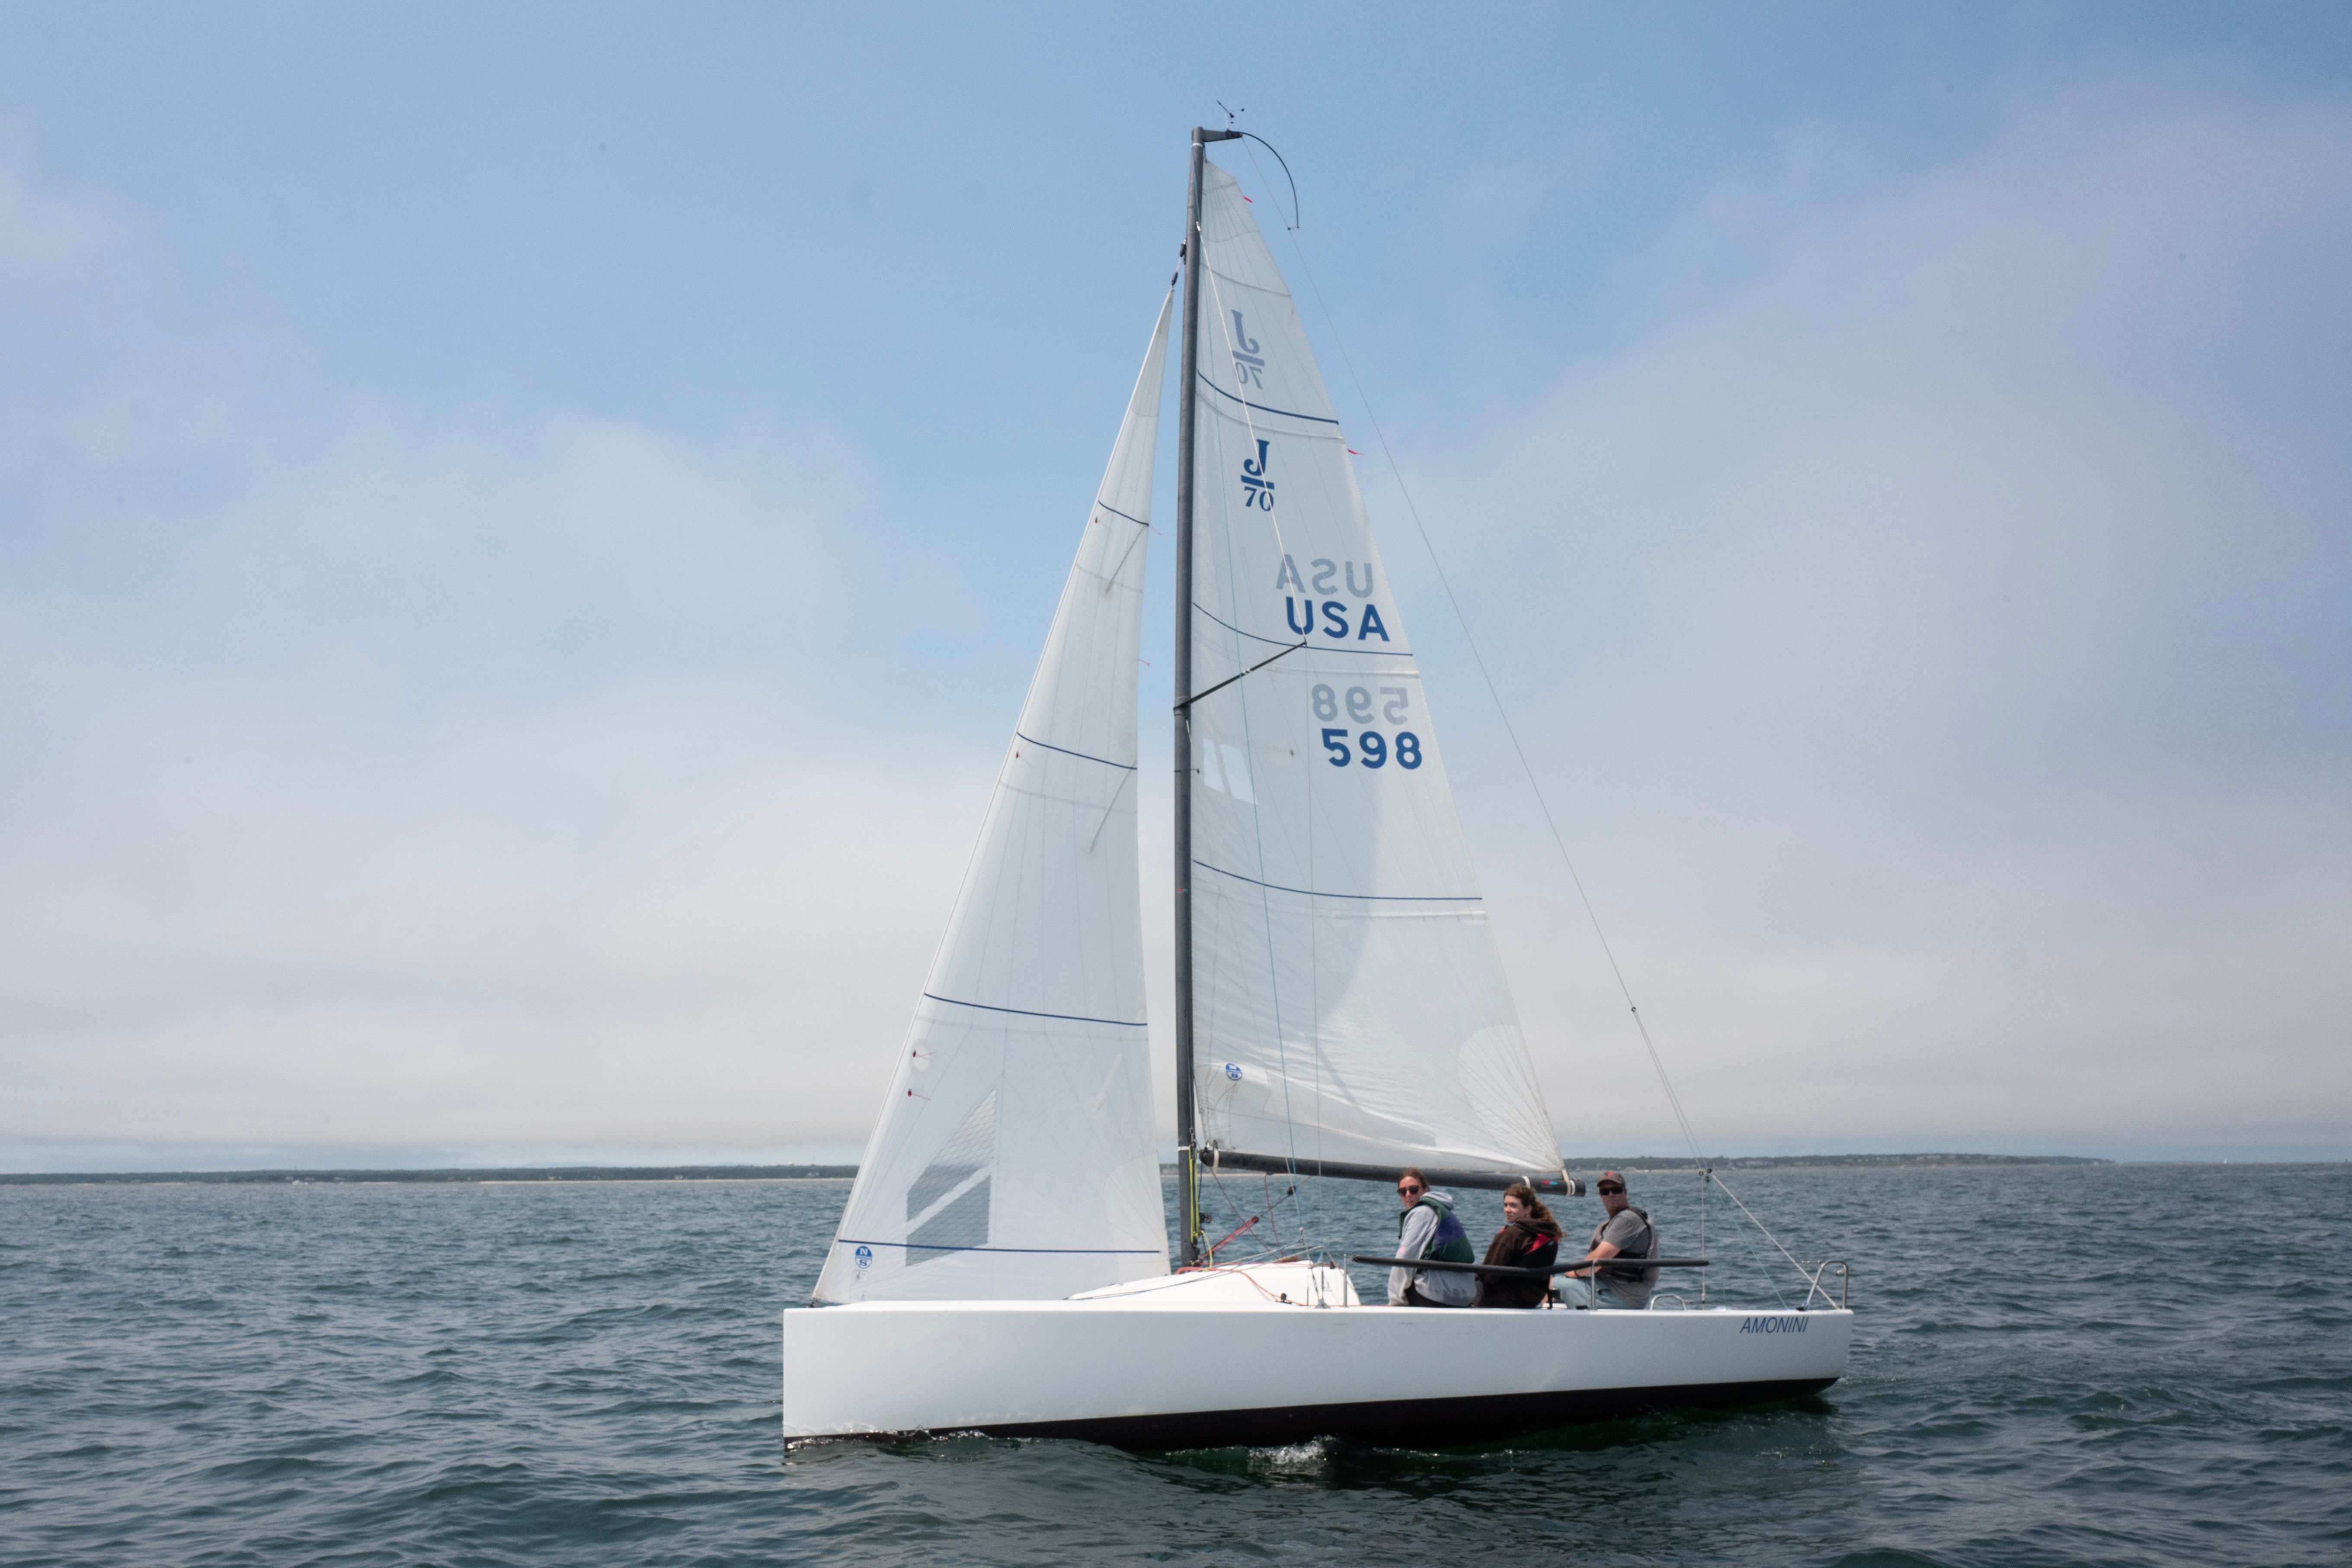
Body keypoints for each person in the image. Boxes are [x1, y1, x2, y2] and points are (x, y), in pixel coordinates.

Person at [1558, 1170, 1660, 1309]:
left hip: (1622, 1295)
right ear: (1601, 1196)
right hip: (1612, 1287)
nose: (1611, 1195)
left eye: (1616, 1190)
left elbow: (1597, 1261)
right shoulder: (1611, 1223)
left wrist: (1573, 1272)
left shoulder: (1627, 1220)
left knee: (1550, 1284)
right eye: (1605, 1192)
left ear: (1625, 1192)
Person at [1387, 1168, 1476, 1307]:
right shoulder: (1443, 1210)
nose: (1408, 1195)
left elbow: (1406, 1257)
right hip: (1463, 1293)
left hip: (1436, 1294)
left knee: (1405, 1288)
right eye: (1403, 1192)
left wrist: (1395, 1300)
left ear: (1426, 1191)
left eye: (1413, 1189)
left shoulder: (1422, 1212)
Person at [1473, 1182, 1562, 1309]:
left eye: (1513, 1206)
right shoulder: (1549, 1234)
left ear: (1528, 1209)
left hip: (1503, 1298)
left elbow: (1489, 1276)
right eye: (1506, 1205)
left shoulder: (1513, 1235)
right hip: (1531, 1300)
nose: (1507, 1210)